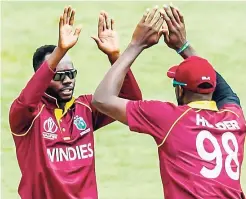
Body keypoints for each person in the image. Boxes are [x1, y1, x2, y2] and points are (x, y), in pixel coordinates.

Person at [92, 5, 246, 199]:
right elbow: (226, 94)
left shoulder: (170, 118)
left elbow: (102, 99)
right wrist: (183, 46)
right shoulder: (235, 118)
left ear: (180, 89)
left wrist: (135, 46)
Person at [9, 6, 142, 199]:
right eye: (59, 75)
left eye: (71, 74)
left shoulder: (86, 108)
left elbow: (132, 102)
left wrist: (115, 57)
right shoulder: (26, 116)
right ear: (44, 76)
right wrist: (60, 51)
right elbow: (27, 100)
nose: (68, 80)